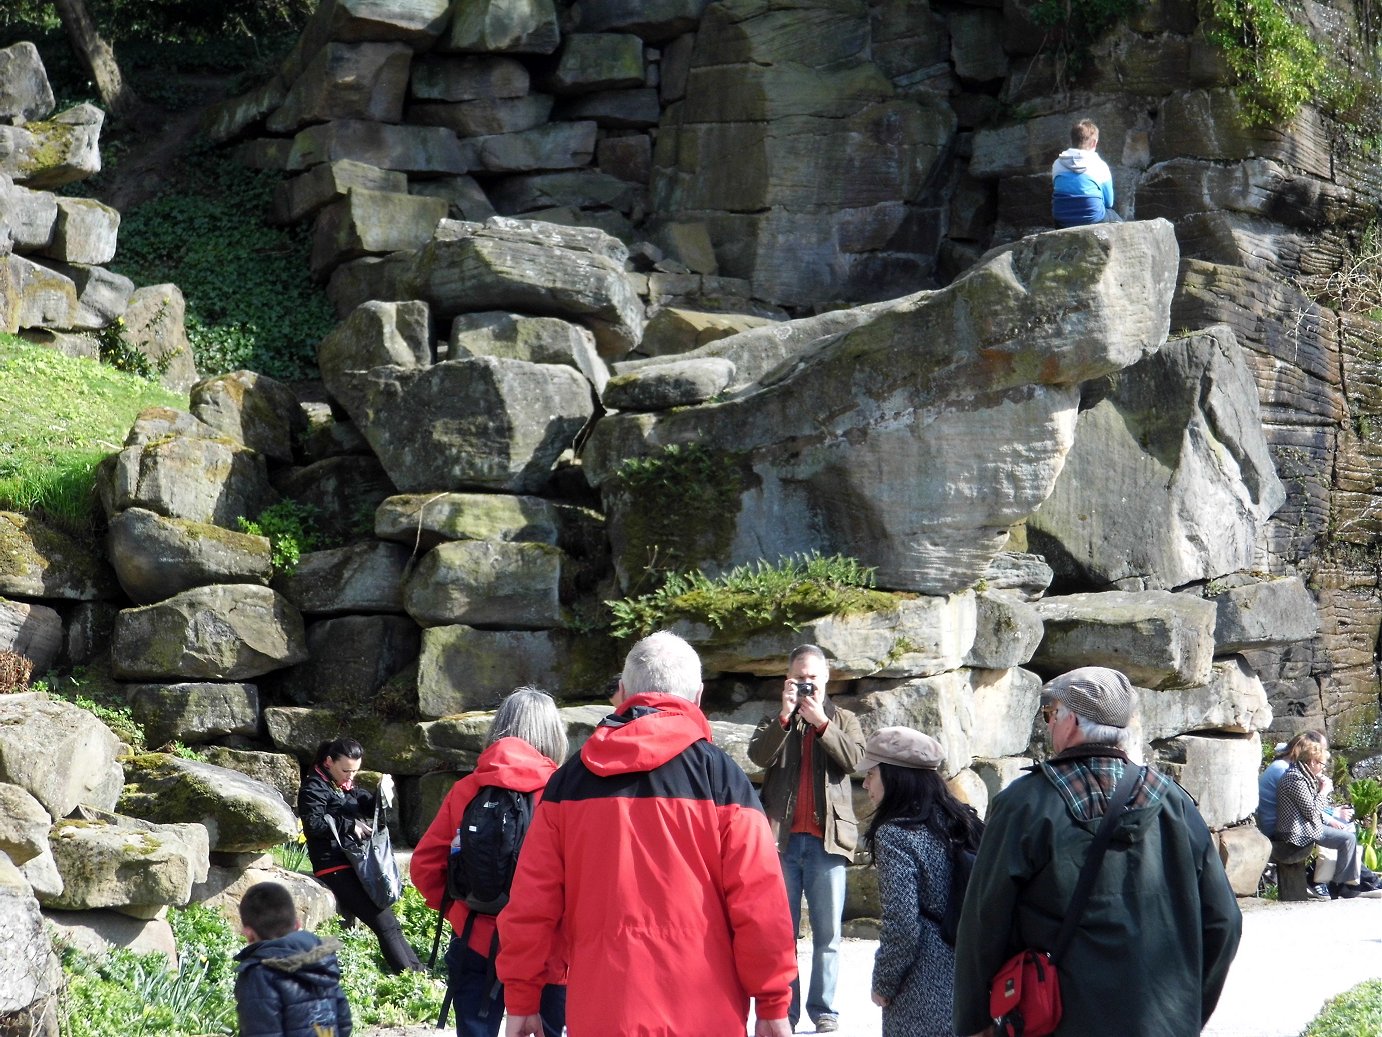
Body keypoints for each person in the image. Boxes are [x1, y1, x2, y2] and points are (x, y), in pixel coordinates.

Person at [496, 630, 797, 1037]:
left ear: (621, 693)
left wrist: (522, 997)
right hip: (705, 1014)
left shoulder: (568, 783)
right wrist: (772, 1003)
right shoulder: (722, 777)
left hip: (602, 1012)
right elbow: (760, 901)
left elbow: (532, 903)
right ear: (699, 696)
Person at [952, 666, 1241, 1037]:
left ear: (1069, 721)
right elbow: (1224, 922)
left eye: (1049, 715)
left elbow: (984, 921)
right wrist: (1187, 1009)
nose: (1048, 725)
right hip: (1161, 1023)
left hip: (1056, 1021)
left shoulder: (1025, 804)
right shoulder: (1174, 803)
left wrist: (973, 1023)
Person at [412, 687, 569, 1037]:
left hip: (474, 937)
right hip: (548, 949)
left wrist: (461, 912)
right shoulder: (563, 793)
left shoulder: (468, 788)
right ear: (554, 734)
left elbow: (424, 866)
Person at [748, 643, 866, 1034]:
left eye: (812, 679)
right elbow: (758, 757)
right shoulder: (775, 720)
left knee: (828, 934)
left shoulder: (845, 719)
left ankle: (825, 1010)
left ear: (826, 679)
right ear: (788, 680)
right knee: (781, 935)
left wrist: (822, 724)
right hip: (781, 843)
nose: (806, 686)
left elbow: (854, 760)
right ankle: (787, 1010)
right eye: (799, 679)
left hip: (827, 843)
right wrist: (785, 717)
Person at [861, 726, 982, 1037]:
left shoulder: (895, 834)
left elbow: (901, 925)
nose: (865, 784)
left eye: (871, 775)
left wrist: (884, 982)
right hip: (971, 976)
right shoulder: (964, 820)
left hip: (923, 983)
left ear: (893, 777)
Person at [298, 736, 423, 974]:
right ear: (328, 762)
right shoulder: (314, 786)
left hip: (353, 861)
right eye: (346, 770)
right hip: (332, 864)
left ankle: (418, 970)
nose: (350, 776)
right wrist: (349, 826)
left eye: (355, 771)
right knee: (384, 923)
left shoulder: (344, 784)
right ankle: (411, 976)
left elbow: (365, 806)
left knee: (390, 923)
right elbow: (313, 825)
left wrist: (382, 795)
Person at [234, 880, 352, 1037]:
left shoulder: (259, 974)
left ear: (248, 934)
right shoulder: (322, 961)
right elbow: (344, 1023)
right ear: (297, 924)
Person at [1275, 735, 1379, 900]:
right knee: (1347, 839)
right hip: (1296, 832)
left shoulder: (1303, 776)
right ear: (1313, 762)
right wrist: (1324, 791)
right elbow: (1311, 810)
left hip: (1306, 827)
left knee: (1348, 837)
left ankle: (1343, 885)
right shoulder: (1295, 779)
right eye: (1322, 764)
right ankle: (1343, 887)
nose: (1323, 768)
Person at [1051, 119, 1121, 228]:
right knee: (1116, 218)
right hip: (1093, 218)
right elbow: (1109, 203)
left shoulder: (1057, 163)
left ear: (1072, 140)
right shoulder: (1100, 165)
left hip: (1061, 220)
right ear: (1094, 142)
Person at [1257, 730, 1328, 837]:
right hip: (1276, 829)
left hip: (1279, 823)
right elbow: (1309, 811)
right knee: (1343, 835)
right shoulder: (1286, 772)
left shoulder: (1283, 765)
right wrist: (1331, 817)